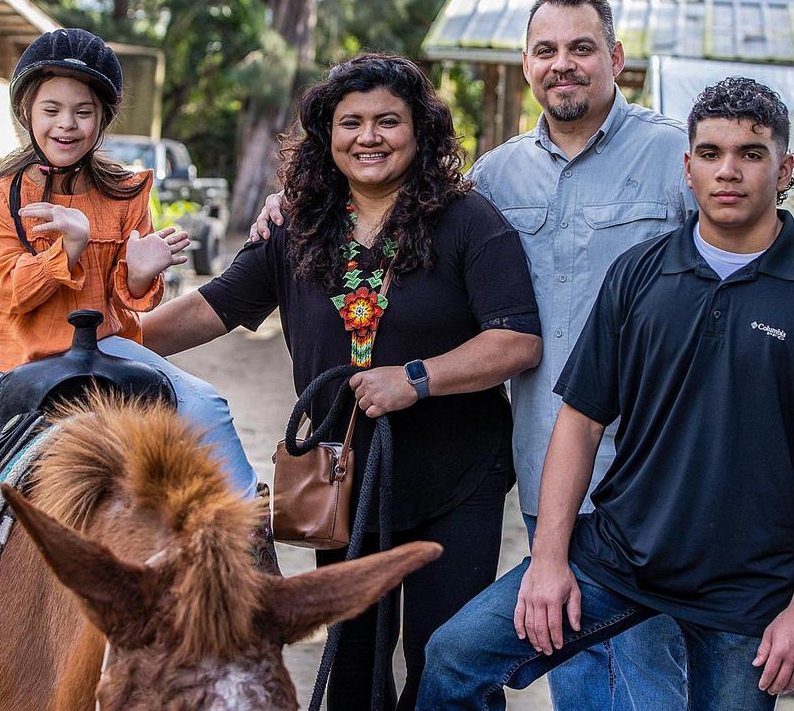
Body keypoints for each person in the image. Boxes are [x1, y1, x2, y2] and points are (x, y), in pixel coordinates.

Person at [251, 0, 794, 709]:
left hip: (660, 480)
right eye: (546, 50)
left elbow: (753, 223)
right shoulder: (496, 178)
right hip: (553, 467)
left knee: (643, 681)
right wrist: (298, 200)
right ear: (528, 63)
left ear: (617, 59)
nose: (563, 65)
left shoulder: (679, 155)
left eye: (581, 48)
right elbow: (399, 211)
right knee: (573, 674)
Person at [415, 77, 794, 710]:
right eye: (710, 153)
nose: (728, 171)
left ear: (784, 170)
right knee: (452, 657)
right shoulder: (640, 273)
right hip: (621, 555)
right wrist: (550, 560)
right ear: (687, 167)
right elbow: (580, 422)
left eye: (751, 155)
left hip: (747, 592)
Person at [142, 53, 542, 710]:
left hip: (456, 479)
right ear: (328, 135)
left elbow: (517, 338)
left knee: (446, 661)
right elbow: (214, 307)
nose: (370, 136)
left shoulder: (470, 222)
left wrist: (417, 379)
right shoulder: (295, 225)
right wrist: (111, 338)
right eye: (352, 122)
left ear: (420, 132)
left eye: (389, 120)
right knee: (353, 663)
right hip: (342, 484)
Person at [0, 28, 258, 708]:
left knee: (209, 408)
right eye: (51, 108)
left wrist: (140, 278)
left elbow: (119, 300)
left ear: (103, 119)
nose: (66, 124)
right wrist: (67, 251)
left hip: (102, 343)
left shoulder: (129, 189)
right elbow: (8, 292)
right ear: (28, 112)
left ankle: (243, 574)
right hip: (7, 350)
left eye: (83, 111)